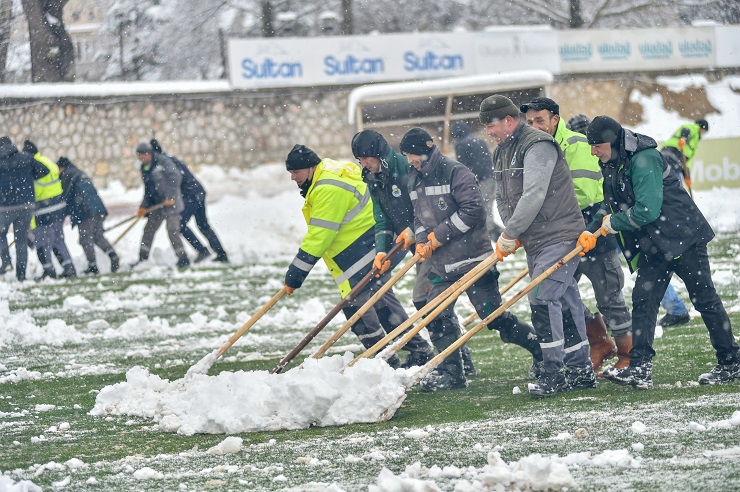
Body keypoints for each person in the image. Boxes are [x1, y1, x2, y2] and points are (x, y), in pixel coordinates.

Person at [585, 115, 739, 388]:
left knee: (704, 299)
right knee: (644, 300)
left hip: (683, 237)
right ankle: (639, 368)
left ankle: (731, 361)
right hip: (655, 244)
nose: (593, 151)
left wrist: (613, 224)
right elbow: (611, 202)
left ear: (610, 141)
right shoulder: (611, 162)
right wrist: (593, 227)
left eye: (596, 145)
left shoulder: (644, 159)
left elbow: (647, 210)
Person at [399, 127, 542, 391]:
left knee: (493, 317)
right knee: (435, 314)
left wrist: (440, 235)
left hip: (473, 260)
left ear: (426, 149)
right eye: (406, 155)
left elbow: (474, 210)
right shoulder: (414, 179)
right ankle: (453, 374)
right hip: (441, 265)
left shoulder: (456, 172)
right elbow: (419, 217)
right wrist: (421, 240)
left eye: (412, 154)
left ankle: (540, 350)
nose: (410, 160)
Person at [480, 95, 595, 397]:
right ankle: (581, 368)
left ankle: (553, 371)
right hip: (536, 240)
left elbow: (533, 194)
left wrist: (510, 232)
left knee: (542, 298)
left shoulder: (538, 145)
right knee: (565, 298)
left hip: (560, 233)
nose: (488, 133)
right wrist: (513, 231)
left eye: (491, 126)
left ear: (507, 121)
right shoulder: (502, 152)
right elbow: (503, 199)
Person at [282, 144, 427, 368]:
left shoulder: (327, 188)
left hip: (365, 247)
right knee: (380, 299)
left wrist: (296, 274)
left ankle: (385, 359)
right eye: (290, 173)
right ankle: (416, 350)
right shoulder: (326, 174)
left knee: (355, 307)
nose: (292, 177)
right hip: (367, 243)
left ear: (311, 168)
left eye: (296, 172)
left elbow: (320, 235)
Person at [520, 98, 632, 371]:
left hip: (591, 226)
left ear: (555, 119)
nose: (534, 126)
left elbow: (584, 192)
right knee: (556, 293)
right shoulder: (532, 149)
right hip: (557, 232)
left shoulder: (577, 144)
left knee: (608, 295)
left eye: (540, 120)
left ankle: (629, 355)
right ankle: (600, 342)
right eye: (530, 122)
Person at [351, 129, 474, 371]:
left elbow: (428, 206)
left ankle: (455, 360)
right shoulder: (373, 177)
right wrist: (381, 251)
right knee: (430, 301)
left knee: (428, 300)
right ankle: (458, 356)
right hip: (414, 245)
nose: (363, 164)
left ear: (379, 154)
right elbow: (381, 218)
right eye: (359, 160)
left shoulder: (405, 169)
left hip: (433, 241)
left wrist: (411, 228)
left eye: (366, 158)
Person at [150, 139, 228, 263]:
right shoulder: (169, 159)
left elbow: (177, 179)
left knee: (180, 224)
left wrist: (170, 196)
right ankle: (221, 253)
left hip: (191, 195)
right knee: (203, 225)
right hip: (198, 191)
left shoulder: (165, 163)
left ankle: (203, 251)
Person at [57, 157, 119, 275]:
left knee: (86, 239)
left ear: (62, 168)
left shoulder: (66, 175)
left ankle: (93, 266)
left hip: (85, 211)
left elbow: (66, 197)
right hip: (98, 208)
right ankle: (113, 256)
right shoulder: (79, 173)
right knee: (97, 236)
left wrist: (61, 213)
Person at [23, 140, 76, 280]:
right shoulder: (47, 161)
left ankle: (49, 272)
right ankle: (69, 268)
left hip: (44, 209)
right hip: (58, 206)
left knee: (42, 242)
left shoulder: (33, 166)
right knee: (58, 240)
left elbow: (34, 191)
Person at [0, 136, 49, 281]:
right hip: (26, 205)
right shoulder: (26, 158)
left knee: (1, 234)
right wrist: (28, 177)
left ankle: (7, 262)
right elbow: (44, 171)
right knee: (21, 239)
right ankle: (21, 275)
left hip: (4, 207)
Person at [133, 142, 189, 269]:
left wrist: (170, 196)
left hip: (171, 203)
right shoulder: (144, 168)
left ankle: (183, 258)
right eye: (139, 156)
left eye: (143, 155)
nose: (141, 158)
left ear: (149, 154)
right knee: (149, 230)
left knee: (172, 230)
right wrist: (143, 206)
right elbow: (148, 190)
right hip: (157, 205)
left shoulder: (163, 162)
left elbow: (175, 177)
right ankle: (142, 258)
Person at [449, 121, 503, 241]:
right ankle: (500, 236)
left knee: (481, 211)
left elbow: (463, 167)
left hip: (479, 180)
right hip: (490, 178)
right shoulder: (478, 140)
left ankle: (496, 237)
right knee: (487, 208)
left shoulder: (461, 145)